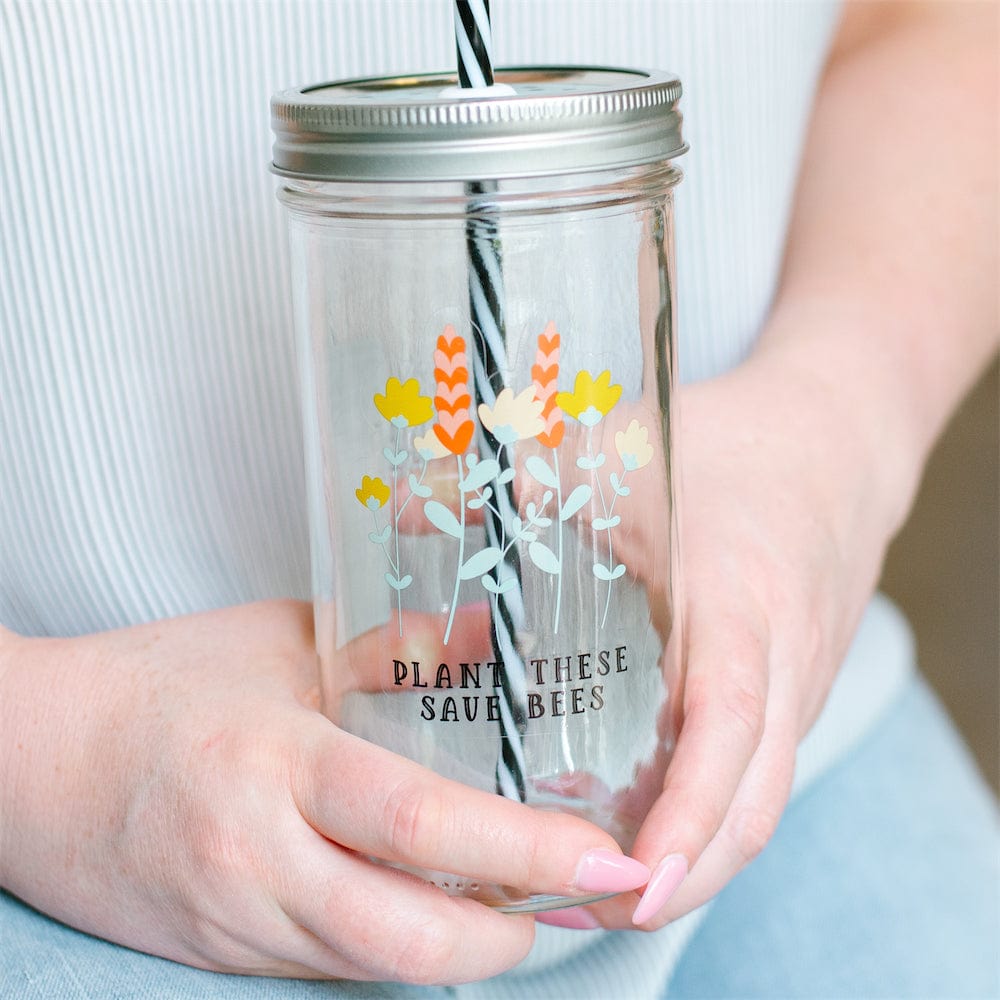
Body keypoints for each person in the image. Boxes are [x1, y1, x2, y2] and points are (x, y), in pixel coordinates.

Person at [1, 1, 997, 996]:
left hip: (748, 732)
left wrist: (831, 424)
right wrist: (54, 749)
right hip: (88, 832)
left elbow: (935, 27)